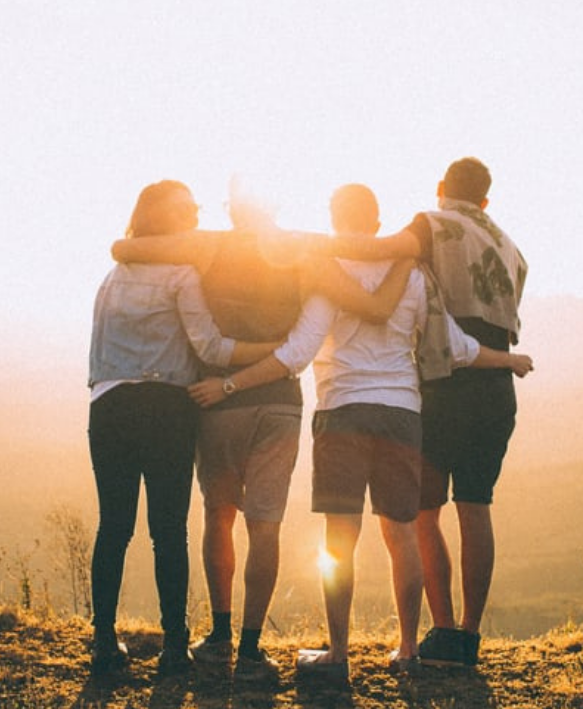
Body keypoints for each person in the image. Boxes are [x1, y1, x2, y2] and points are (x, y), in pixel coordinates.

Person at [187, 183, 532, 680]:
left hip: (342, 411)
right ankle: (409, 650)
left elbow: (298, 353)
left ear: (334, 218)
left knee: (339, 540)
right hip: (402, 414)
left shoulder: (328, 272)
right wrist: (509, 360)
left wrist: (230, 384)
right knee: (403, 535)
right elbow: (455, 346)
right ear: (376, 223)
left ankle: (339, 654)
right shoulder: (413, 274)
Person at [109, 184, 412, 681]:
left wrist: (123, 246)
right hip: (279, 403)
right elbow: (369, 275)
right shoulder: (303, 249)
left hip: (218, 401)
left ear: (232, 209)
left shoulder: (208, 245)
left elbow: (127, 249)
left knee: (218, 515)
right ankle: (251, 649)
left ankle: (219, 634)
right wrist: (407, 249)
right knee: (265, 524)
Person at [308, 158, 529, 667]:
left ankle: (440, 632)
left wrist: (305, 246)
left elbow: (380, 251)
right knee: (476, 506)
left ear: (440, 188)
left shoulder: (431, 225)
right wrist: (508, 360)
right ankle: (467, 637)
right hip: (494, 386)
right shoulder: (512, 248)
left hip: (444, 383)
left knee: (420, 514)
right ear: (486, 200)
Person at [87, 180, 278, 677]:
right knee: (167, 531)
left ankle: (104, 644)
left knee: (114, 527)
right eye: (187, 207)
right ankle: (174, 647)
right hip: (167, 408)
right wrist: (272, 351)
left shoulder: (113, 275)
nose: (195, 212)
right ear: (167, 220)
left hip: (108, 406)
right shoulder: (182, 274)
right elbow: (211, 350)